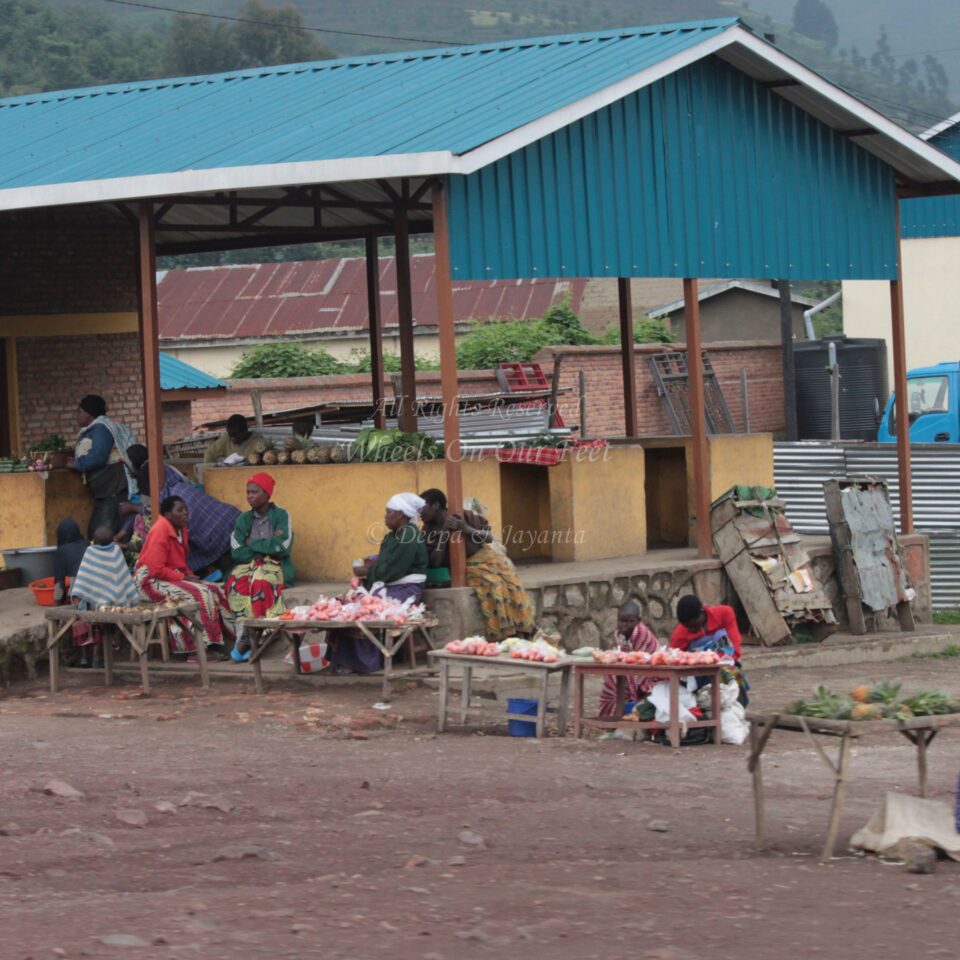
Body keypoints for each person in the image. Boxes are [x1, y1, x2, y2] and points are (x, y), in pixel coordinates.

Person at [328, 493, 428, 675]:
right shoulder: (391, 537)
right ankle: (344, 659)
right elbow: (384, 564)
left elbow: (393, 570)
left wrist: (367, 572)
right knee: (349, 606)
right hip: (388, 586)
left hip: (406, 589)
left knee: (369, 610)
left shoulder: (409, 535)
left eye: (389, 512)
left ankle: (364, 662)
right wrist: (369, 572)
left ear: (400, 514)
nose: (385, 516)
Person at [419, 488, 535, 642]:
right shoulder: (427, 530)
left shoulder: (466, 516)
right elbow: (435, 562)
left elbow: (488, 538)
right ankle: (502, 633)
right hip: (466, 568)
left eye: (422, 508)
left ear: (435, 505)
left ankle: (524, 629)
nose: (419, 513)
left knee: (512, 583)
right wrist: (445, 533)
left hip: (487, 558)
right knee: (493, 585)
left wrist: (466, 529)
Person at [133, 495, 234, 660]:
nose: (185, 513)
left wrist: (189, 575)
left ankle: (234, 640)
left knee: (216, 589)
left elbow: (180, 561)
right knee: (198, 593)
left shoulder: (182, 529)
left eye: (185, 509)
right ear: (168, 514)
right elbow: (155, 568)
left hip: (167, 576)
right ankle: (197, 650)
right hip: (148, 581)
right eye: (179, 510)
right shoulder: (160, 530)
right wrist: (183, 578)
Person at [119, 445, 240, 575]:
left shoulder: (166, 505)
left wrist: (125, 546)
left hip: (217, 532)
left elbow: (157, 540)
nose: (128, 472)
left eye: (127, 467)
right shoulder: (168, 475)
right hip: (230, 517)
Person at [226, 473, 295, 662]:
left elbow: (282, 546)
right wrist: (265, 548)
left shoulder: (281, 515)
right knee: (235, 584)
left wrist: (252, 543)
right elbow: (237, 552)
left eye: (254, 492)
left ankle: (259, 637)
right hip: (248, 565)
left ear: (267, 493)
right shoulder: (243, 519)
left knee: (262, 582)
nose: (250, 496)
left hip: (276, 565)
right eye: (248, 492)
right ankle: (244, 635)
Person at [71, 394, 139, 537]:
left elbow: (98, 457)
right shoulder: (94, 429)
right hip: (107, 490)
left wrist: (75, 464)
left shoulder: (101, 429)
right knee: (104, 530)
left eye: (80, 412)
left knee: (101, 532)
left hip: (113, 489)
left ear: (89, 414)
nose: (77, 415)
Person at [671, 594, 748, 704]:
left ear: (702, 612)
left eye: (694, 625)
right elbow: (674, 659)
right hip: (697, 673)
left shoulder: (725, 613)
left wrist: (714, 660)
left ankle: (737, 706)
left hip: (726, 663)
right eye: (688, 627)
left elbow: (736, 649)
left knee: (732, 676)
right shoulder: (679, 633)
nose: (691, 630)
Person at [598, 601, 661, 719]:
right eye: (621, 621)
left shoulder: (641, 632)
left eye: (629, 621)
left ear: (638, 620)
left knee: (617, 677)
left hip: (651, 672)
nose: (624, 625)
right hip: (634, 668)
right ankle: (611, 712)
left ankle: (624, 708)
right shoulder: (620, 633)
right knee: (610, 677)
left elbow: (638, 660)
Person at [53, 519, 87, 605]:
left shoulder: (62, 551)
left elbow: (59, 582)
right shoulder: (87, 544)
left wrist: (58, 601)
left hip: (78, 594)